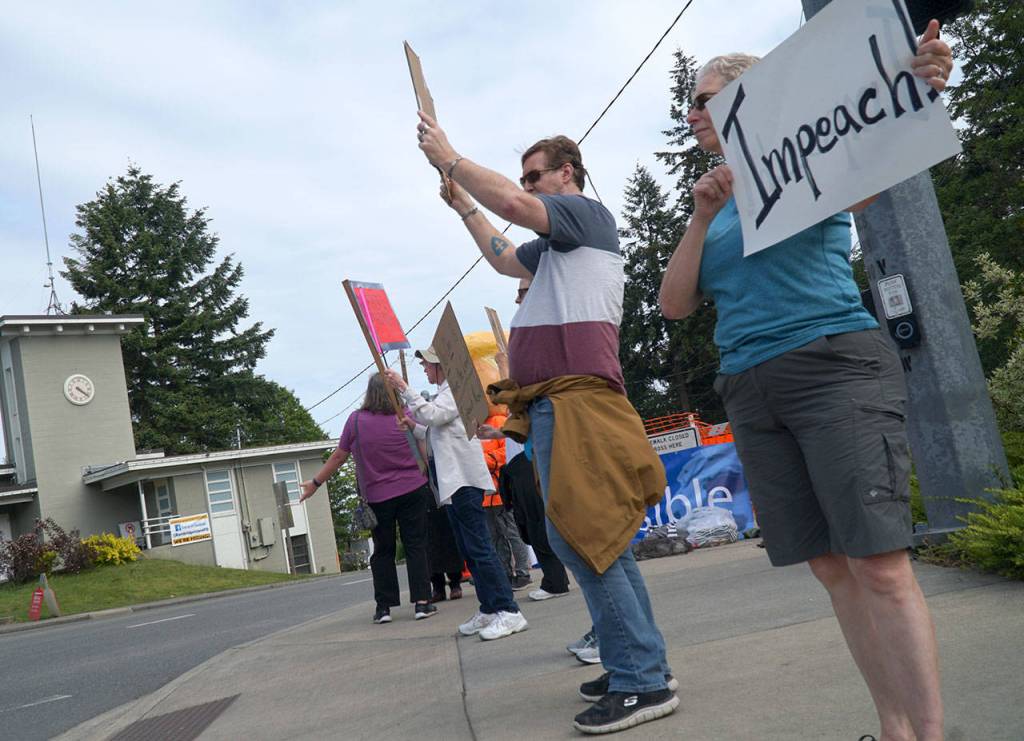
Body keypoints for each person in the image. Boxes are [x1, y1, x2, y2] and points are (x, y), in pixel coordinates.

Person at [657, 21, 953, 741]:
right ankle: (894, 728)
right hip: (751, 388)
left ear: (748, 101)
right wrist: (700, 218)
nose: (692, 113)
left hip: (832, 365)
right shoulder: (712, 197)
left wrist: (921, 83)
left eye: (705, 100)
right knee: (831, 567)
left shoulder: (808, 161)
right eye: (693, 104)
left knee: (879, 564)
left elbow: (874, 165)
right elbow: (674, 303)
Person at [415, 120, 676, 734]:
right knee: (592, 540)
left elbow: (510, 204)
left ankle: (641, 678)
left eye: (538, 177)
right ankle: (635, 664)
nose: (530, 189)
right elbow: (505, 258)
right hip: (565, 402)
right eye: (527, 178)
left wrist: (451, 159)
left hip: (577, 400)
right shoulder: (561, 242)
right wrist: (463, 210)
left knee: (587, 540)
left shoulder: (582, 212)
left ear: (569, 174)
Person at [384, 348, 528, 641]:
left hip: (463, 481)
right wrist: (414, 425)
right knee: (470, 549)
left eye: (426, 364)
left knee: (480, 548)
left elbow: (435, 417)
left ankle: (509, 610)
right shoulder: (444, 394)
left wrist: (403, 387)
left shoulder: (454, 392)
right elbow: (434, 430)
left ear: (440, 366)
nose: (424, 369)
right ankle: (490, 607)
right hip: (453, 482)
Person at [300, 373, 436, 624]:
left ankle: (384, 607)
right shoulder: (406, 415)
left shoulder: (356, 421)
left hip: (377, 495)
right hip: (413, 488)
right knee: (416, 545)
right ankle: (422, 602)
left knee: (382, 551)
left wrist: (315, 483)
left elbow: (338, 457)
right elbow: (423, 451)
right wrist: (424, 473)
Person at [480, 405, 534, 591]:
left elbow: (506, 450)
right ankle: (505, 574)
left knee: (512, 532)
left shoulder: (497, 422)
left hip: (501, 490)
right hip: (486, 494)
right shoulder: (473, 427)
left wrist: (485, 460)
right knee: (495, 536)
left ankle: (522, 572)